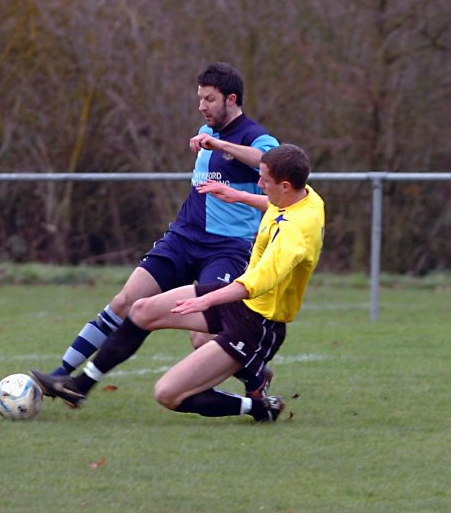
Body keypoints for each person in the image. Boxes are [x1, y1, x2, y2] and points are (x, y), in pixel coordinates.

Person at [31, 62, 279, 398]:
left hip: (227, 249)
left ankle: (254, 377)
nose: (201, 106)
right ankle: (61, 376)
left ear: (231, 99)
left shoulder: (254, 136)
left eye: (208, 99)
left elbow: (270, 162)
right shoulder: (207, 133)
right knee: (125, 301)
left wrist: (220, 146)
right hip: (184, 238)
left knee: (203, 335)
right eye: (199, 98)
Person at [31, 144, 325, 423]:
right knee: (143, 309)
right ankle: (79, 386)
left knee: (168, 394)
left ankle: (258, 407)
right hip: (239, 301)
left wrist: (206, 300)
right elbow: (274, 206)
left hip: (258, 324)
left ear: (285, 186)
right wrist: (237, 195)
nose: (259, 184)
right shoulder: (306, 197)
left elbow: (256, 283)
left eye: (264, 180)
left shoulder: (293, 235)